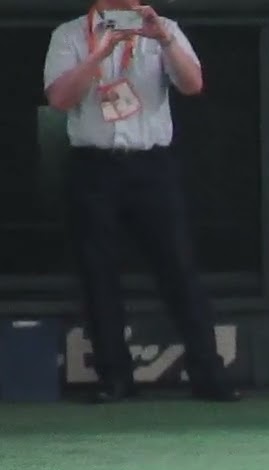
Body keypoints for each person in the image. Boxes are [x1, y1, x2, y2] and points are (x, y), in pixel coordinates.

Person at [42, 1, 238, 403]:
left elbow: (193, 85)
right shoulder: (70, 34)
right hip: (94, 165)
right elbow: (59, 99)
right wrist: (99, 55)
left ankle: (208, 374)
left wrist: (163, 40)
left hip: (152, 165)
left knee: (178, 268)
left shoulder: (164, 28)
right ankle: (114, 377)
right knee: (98, 273)